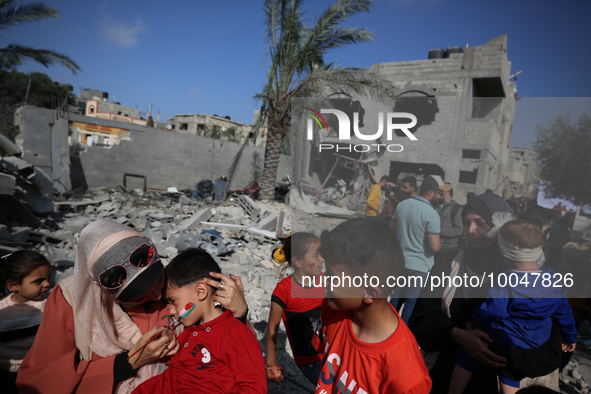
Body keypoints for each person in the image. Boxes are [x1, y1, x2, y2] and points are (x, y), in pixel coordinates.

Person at [16, 218, 248, 394]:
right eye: (141, 297)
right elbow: (40, 381)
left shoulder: (179, 280)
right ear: (110, 295)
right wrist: (131, 362)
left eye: (158, 282)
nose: (158, 294)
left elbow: (227, 346)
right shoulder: (70, 299)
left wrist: (238, 314)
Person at [409, 192, 565, 393]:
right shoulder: (450, 262)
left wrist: (496, 351)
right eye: (466, 223)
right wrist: (458, 335)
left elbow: (549, 347)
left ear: (501, 225)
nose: (471, 230)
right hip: (446, 378)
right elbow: (421, 318)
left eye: (480, 222)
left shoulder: (529, 276)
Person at [449, 220, 576, 394]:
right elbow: (564, 312)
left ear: (505, 255)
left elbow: (493, 311)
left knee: (466, 356)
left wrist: (476, 319)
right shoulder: (553, 279)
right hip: (537, 339)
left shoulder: (505, 282)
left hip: (505, 340)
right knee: (511, 373)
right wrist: (570, 336)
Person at [314, 218, 432, 393]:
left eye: (331, 276)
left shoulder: (406, 377)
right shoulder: (332, 309)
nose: (323, 280)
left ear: (369, 292)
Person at [133, 248, 266, 393]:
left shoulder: (235, 334)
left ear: (201, 291)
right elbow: (172, 378)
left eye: (173, 301)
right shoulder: (188, 334)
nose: (171, 311)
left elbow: (254, 388)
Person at [266, 233, 325, 385]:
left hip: (333, 353)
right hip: (311, 361)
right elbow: (272, 329)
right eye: (317, 255)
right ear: (298, 261)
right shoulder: (284, 290)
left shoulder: (324, 280)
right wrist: (271, 364)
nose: (322, 260)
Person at [390, 175, 446, 322]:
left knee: (395, 301)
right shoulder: (431, 213)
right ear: (431, 192)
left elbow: (392, 233)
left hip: (400, 263)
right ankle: (403, 338)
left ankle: (385, 333)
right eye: (440, 192)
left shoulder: (402, 205)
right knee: (410, 305)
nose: (442, 196)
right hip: (419, 267)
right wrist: (441, 244)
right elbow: (435, 247)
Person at [0, 251, 51, 394]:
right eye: (38, 281)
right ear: (13, 286)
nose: (47, 284)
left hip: (37, 370)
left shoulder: (51, 301)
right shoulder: (3, 311)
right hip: (6, 373)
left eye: (48, 278)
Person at [436, 183, 464, 267]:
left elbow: (459, 230)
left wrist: (438, 231)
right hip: (435, 247)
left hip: (449, 250)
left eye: (440, 191)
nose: (437, 193)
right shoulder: (436, 207)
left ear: (446, 192)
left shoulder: (457, 209)